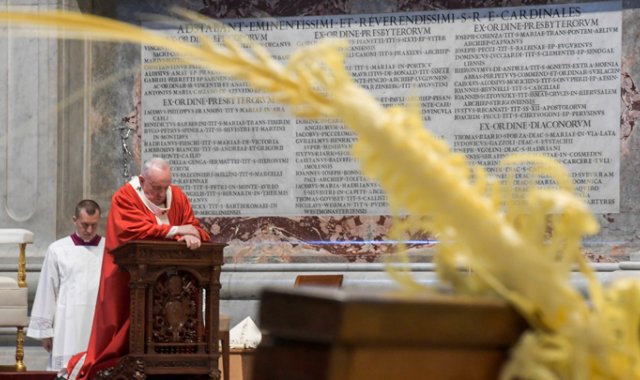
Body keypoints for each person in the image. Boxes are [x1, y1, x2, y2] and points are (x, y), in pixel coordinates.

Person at [66, 157, 211, 380]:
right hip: (133, 281)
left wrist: (192, 235)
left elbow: (192, 226)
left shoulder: (177, 197)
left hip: (171, 284)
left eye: (165, 187)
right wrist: (174, 231)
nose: (162, 194)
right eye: (156, 188)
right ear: (143, 180)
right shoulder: (126, 197)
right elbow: (129, 232)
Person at [27, 200, 105, 373]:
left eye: (94, 225)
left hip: (98, 322)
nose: (90, 230)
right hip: (67, 322)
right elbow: (48, 290)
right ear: (74, 220)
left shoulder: (108, 249)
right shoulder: (58, 249)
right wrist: (45, 331)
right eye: (85, 225)